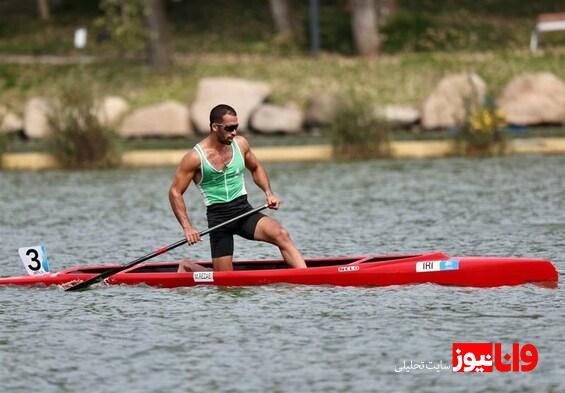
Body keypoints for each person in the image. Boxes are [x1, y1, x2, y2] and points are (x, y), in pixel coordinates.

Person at [169, 104, 307, 272]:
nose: (234, 132)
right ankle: (188, 266)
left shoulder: (240, 144)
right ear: (214, 127)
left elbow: (256, 168)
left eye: (236, 127)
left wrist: (268, 193)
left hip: (243, 211)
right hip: (219, 220)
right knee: (225, 282)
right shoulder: (195, 158)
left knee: (281, 234)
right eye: (229, 128)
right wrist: (187, 227)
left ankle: (307, 278)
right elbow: (175, 192)